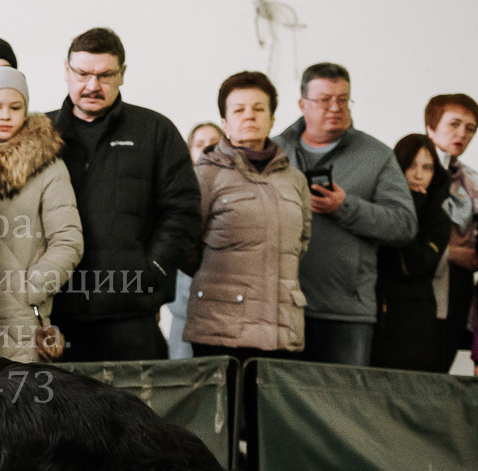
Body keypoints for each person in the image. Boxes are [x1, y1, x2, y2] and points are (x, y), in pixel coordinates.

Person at [48, 27, 201, 362]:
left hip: (131, 317)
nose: (92, 85)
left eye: (105, 75)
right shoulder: (40, 134)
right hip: (55, 313)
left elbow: (183, 211)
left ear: (123, 74)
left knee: (139, 413)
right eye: (83, 74)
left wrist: (151, 271)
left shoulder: (154, 131)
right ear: (66, 71)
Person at [274, 62, 417, 366]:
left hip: (346, 312)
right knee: (279, 409)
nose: (335, 108)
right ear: (303, 104)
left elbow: (405, 225)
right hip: (280, 309)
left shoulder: (377, 156)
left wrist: (345, 207)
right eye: (325, 100)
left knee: (342, 409)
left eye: (343, 99)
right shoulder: (275, 152)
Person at [184, 72, 311, 360]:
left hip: (283, 327)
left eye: (258, 109)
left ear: (272, 119)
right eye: (239, 110)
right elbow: (185, 246)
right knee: (223, 405)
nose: (249, 117)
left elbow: (301, 243)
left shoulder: (295, 180)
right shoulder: (205, 176)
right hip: (219, 325)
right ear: (225, 123)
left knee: (268, 406)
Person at [0, 66, 83, 362]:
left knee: (21, 403)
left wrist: (33, 288)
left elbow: (68, 240)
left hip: (22, 320)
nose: (6, 115)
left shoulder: (48, 167)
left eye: (15, 107)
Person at [370, 134, 452, 372]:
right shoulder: (378, 209)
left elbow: (412, 267)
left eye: (427, 167)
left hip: (415, 320)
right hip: (375, 313)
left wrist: (411, 208)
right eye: (410, 166)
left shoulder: (438, 220)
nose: (418, 175)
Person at [424, 94, 478, 371]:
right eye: (454, 124)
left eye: (470, 128)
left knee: (443, 364)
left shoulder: (471, 179)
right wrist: (450, 253)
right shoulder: (414, 170)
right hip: (423, 281)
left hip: (459, 285)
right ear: (431, 128)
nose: (462, 133)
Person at [168, 122, 225, 359]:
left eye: (214, 143)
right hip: (184, 303)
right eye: (199, 144)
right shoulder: (175, 190)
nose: (206, 149)